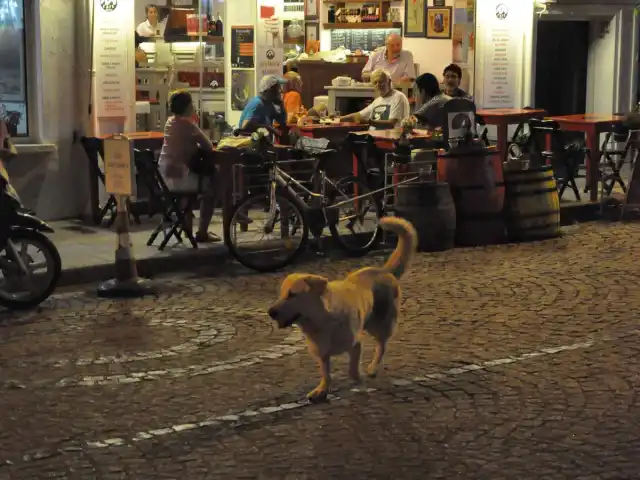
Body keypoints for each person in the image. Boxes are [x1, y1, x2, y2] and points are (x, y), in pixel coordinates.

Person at [158, 91, 220, 243]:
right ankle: (202, 232)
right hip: (179, 178)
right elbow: (208, 145)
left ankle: (187, 228)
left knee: (188, 193)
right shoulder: (188, 125)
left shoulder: (170, 122)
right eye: (191, 103)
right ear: (187, 106)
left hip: (164, 175)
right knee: (211, 188)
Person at [339, 69, 410, 130]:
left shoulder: (398, 97)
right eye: (375, 82)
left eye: (381, 82)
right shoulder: (377, 101)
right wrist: (337, 119)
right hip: (373, 138)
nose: (378, 85)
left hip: (391, 140)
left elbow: (391, 124)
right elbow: (357, 115)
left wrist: (368, 122)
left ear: (389, 82)